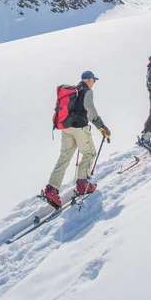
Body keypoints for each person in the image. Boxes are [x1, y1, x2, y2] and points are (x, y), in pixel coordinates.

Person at [44, 70, 111, 208]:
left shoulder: (74, 90)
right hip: (80, 128)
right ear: (89, 80)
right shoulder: (87, 91)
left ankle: (51, 189)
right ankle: (82, 184)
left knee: (64, 156)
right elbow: (90, 110)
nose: (94, 83)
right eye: (93, 80)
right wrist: (102, 127)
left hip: (66, 128)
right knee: (89, 153)